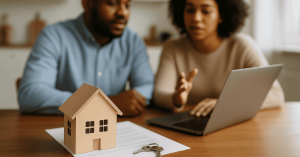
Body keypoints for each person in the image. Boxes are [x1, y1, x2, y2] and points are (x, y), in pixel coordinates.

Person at [18, 0, 154, 116]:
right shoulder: (53, 36)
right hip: (63, 131)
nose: (123, 13)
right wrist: (106, 103)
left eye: (127, 5)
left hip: (118, 130)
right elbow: (30, 94)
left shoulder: (133, 40)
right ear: (87, 3)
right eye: (112, 3)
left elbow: (147, 85)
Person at [154, 0, 285, 117]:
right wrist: (176, 99)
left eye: (206, 11)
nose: (196, 18)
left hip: (231, 126)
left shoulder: (242, 47)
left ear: (221, 15)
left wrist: (226, 105)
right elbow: (159, 94)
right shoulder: (172, 48)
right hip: (191, 124)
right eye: (190, 10)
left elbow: (275, 95)